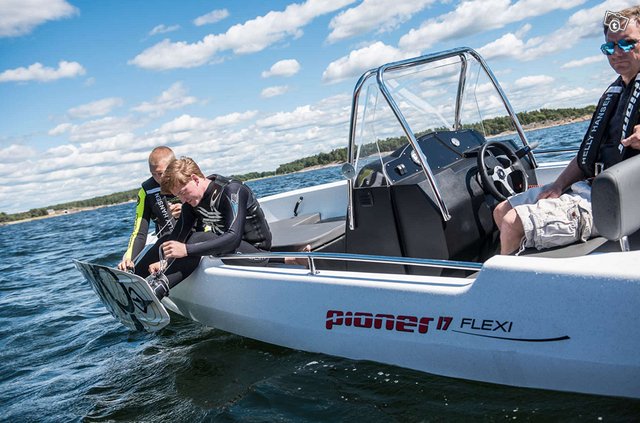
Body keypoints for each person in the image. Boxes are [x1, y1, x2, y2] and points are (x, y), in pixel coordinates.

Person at [494, 6, 640, 254]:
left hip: (618, 201)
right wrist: (559, 185)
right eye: (609, 47)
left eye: (627, 44)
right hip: (590, 187)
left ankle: (505, 288)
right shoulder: (613, 93)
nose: (616, 53)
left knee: (511, 223)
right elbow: (587, 154)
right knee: (501, 210)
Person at [134, 157, 272, 299]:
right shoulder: (192, 202)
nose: (183, 200)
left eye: (182, 192)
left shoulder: (232, 191)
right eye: (178, 196)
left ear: (195, 179)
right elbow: (178, 236)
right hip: (226, 252)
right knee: (166, 242)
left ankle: (156, 292)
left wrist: (187, 250)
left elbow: (233, 238)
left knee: (197, 238)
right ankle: (135, 283)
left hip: (257, 255)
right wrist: (163, 262)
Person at [118, 146, 181, 271]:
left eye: (161, 173)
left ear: (173, 166)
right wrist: (129, 258)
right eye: (154, 174)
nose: (159, 179)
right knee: (135, 271)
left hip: (195, 239)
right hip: (167, 242)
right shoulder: (146, 191)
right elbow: (140, 232)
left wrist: (187, 210)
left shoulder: (188, 180)